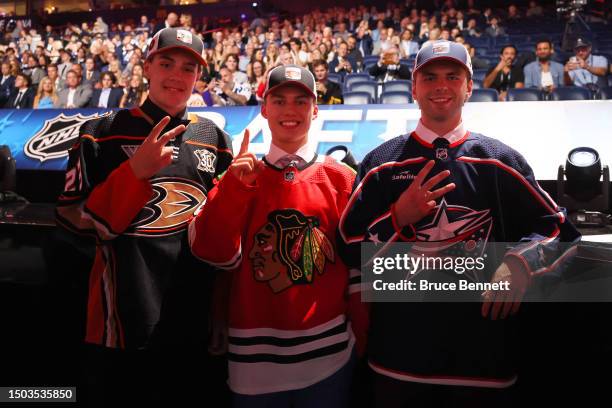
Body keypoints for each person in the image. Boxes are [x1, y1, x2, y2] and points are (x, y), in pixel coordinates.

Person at [338, 40, 580, 407]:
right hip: (398, 362)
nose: (441, 86)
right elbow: (348, 248)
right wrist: (399, 218)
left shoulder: (500, 159)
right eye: (430, 77)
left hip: (484, 364)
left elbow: (560, 231)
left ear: (469, 87)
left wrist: (520, 262)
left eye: (453, 76)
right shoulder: (381, 163)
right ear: (414, 87)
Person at [55, 27, 233, 406]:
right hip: (120, 323)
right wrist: (134, 172)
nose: (176, 75)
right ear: (146, 66)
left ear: (198, 77)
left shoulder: (215, 139)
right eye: (166, 63)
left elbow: (222, 243)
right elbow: (71, 221)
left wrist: (219, 312)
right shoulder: (98, 133)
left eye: (188, 68)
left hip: (191, 321)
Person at [189, 64, 367, 407]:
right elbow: (211, 252)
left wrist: (362, 337)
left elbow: (358, 267)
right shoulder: (240, 175)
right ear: (264, 109)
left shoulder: (341, 177)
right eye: (280, 100)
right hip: (252, 364)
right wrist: (231, 191)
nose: (290, 110)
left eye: (301, 101)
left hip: (330, 357)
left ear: (315, 110)